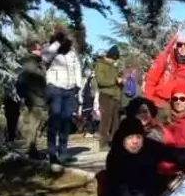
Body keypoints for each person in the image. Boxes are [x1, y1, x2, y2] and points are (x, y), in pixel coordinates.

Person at [42, 28, 84, 163]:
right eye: (63, 39)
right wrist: (57, 43)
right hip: (55, 89)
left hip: (70, 89)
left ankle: (63, 152)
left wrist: (78, 85)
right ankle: (52, 153)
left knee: (66, 121)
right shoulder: (50, 49)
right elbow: (45, 57)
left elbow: (77, 67)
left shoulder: (72, 53)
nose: (66, 42)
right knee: (54, 120)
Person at [94, 46, 124, 150]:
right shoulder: (100, 65)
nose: (114, 61)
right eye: (114, 59)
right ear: (110, 56)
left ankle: (114, 142)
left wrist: (121, 81)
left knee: (116, 121)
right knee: (106, 121)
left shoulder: (113, 66)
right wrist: (115, 81)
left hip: (115, 96)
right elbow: (101, 81)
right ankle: (103, 144)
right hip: (106, 95)